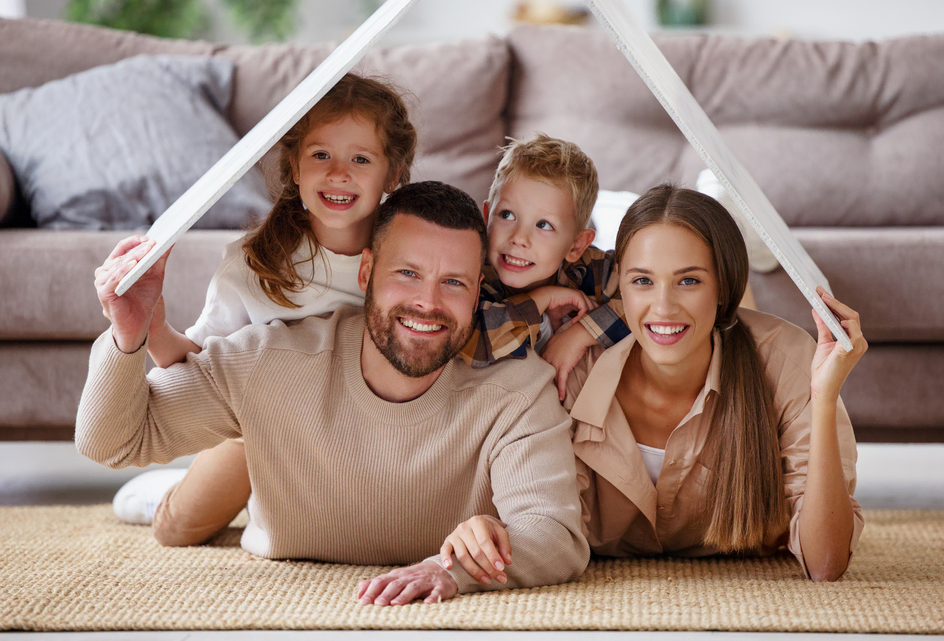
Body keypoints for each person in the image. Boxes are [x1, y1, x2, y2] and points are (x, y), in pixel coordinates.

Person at [80, 181, 589, 605]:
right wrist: (128, 333)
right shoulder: (269, 359)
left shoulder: (518, 388)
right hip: (272, 451)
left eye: (453, 282)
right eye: (407, 273)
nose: (427, 302)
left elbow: (556, 536)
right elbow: (112, 442)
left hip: (305, 459)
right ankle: (170, 492)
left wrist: (453, 570)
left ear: (479, 291)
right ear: (366, 272)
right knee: (176, 526)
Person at [439, 184, 867, 584]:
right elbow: (545, 527)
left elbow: (826, 563)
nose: (663, 307)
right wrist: (490, 532)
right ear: (620, 285)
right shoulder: (574, 375)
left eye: (689, 280)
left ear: (723, 285)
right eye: (643, 281)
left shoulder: (786, 358)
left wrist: (825, 397)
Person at [109, 73, 418, 545]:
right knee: (177, 531)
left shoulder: (412, 261)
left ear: (392, 173)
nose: (339, 173)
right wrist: (153, 325)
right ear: (293, 167)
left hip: (366, 442)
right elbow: (196, 369)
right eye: (321, 155)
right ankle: (168, 493)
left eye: (360, 158)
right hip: (261, 438)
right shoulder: (254, 264)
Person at [459, 133, 629, 401]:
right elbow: (473, 342)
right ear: (486, 218)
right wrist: (542, 299)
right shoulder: (474, 274)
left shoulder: (591, 269)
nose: (519, 238)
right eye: (507, 215)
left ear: (576, 246)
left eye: (543, 225)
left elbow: (649, 299)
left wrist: (578, 335)